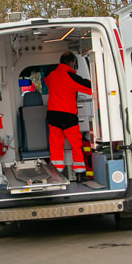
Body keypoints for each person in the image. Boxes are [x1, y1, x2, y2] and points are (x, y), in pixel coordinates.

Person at [44, 51, 92, 180]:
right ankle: (80, 172)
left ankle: (56, 172)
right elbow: (90, 87)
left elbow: (46, 79)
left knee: (55, 145)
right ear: (71, 62)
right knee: (75, 145)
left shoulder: (50, 75)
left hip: (53, 115)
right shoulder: (71, 76)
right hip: (68, 116)